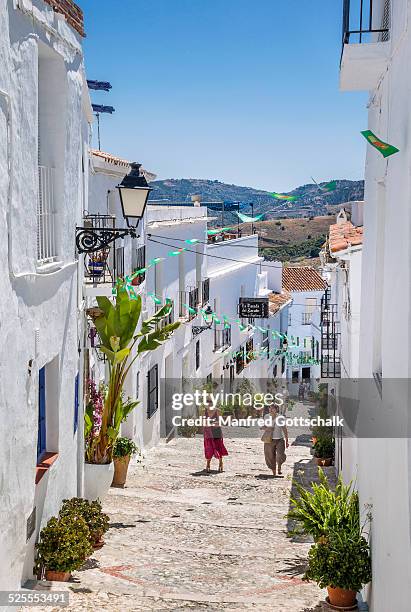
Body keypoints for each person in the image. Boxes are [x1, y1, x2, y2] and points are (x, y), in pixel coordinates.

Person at [261, 405, 289, 477]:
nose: (271, 409)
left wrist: (287, 440)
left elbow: (284, 429)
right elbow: (263, 426)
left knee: (280, 455)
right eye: (270, 408)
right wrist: (266, 428)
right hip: (269, 440)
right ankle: (274, 472)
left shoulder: (281, 418)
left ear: (276, 410)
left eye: (273, 408)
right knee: (270, 456)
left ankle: (279, 466)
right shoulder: (266, 416)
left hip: (279, 439)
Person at [203, 404, 228, 473]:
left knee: (218, 447)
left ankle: (220, 463)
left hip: (216, 432)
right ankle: (208, 464)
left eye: (210, 402)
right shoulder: (204, 411)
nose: (208, 403)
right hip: (208, 433)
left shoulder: (217, 411)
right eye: (207, 402)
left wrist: (211, 424)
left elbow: (220, 422)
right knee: (209, 448)